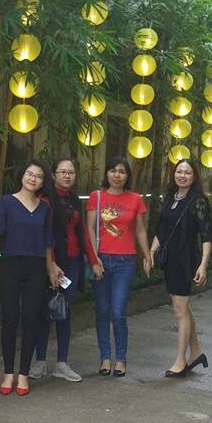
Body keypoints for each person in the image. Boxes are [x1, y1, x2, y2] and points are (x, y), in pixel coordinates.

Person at [0, 159, 63, 397]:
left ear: (43, 182)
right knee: (10, 318)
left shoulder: (45, 208)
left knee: (31, 319)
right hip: (10, 267)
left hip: (36, 268)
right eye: (29, 174)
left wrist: (51, 268)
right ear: (22, 176)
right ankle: (8, 372)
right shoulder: (6, 202)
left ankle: (23, 373)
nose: (33, 178)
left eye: (38, 176)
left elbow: (48, 242)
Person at [29, 157, 98, 383]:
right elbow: (43, 234)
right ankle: (39, 361)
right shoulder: (45, 199)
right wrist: (51, 264)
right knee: (44, 311)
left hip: (72, 262)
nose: (67, 176)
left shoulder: (74, 200)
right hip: (49, 263)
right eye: (63, 172)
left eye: (71, 172)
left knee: (64, 311)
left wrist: (93, 260)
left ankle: (62, 363)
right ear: (53, 174)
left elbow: (83, 232)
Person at [86, 156, 152, 378]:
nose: (117, 175)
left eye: (122, 171)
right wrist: (94, 259)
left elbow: (140, 230)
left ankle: (121, 358)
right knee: (102, 311)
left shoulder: (135, 199)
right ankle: (105, 357)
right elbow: (89, 229)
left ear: (127, 176)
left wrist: (147, 255)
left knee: (117, 312)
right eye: (113, 171)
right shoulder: (96, 197)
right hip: (102, 260)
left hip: (125, 261)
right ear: (106, 173)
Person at [151, 159, 212, 378]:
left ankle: (181, 361)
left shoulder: (198, 201)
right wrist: (151, 252)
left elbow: (206, 236)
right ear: (174, 174)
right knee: (182, 307)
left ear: (194, 177)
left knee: (180, 310)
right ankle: (195, 352)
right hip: (170, 259)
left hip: (186, 259)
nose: (182, 176)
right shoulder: (170, 197)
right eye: (179, 171)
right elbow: (162, 230)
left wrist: (203, 265)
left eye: (187, 172)